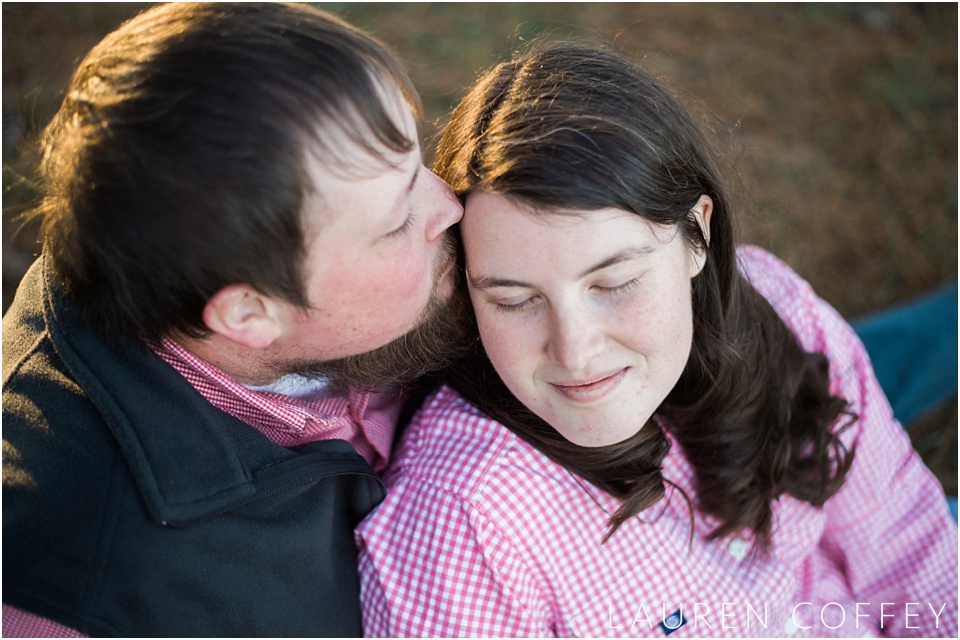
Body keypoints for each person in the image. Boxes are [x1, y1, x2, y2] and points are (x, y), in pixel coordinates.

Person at [356, 42, 959, 637]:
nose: (575, 351)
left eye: (614, 282)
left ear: (696, 235)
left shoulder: (776, 305)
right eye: (514, 299)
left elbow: (906, 543)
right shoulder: (469, 528)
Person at [2, 2, 465, 637]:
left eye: (418, 165)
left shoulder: (184, 263)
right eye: (395, 221)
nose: (449, 203)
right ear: (249, 312)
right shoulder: (82, 597)